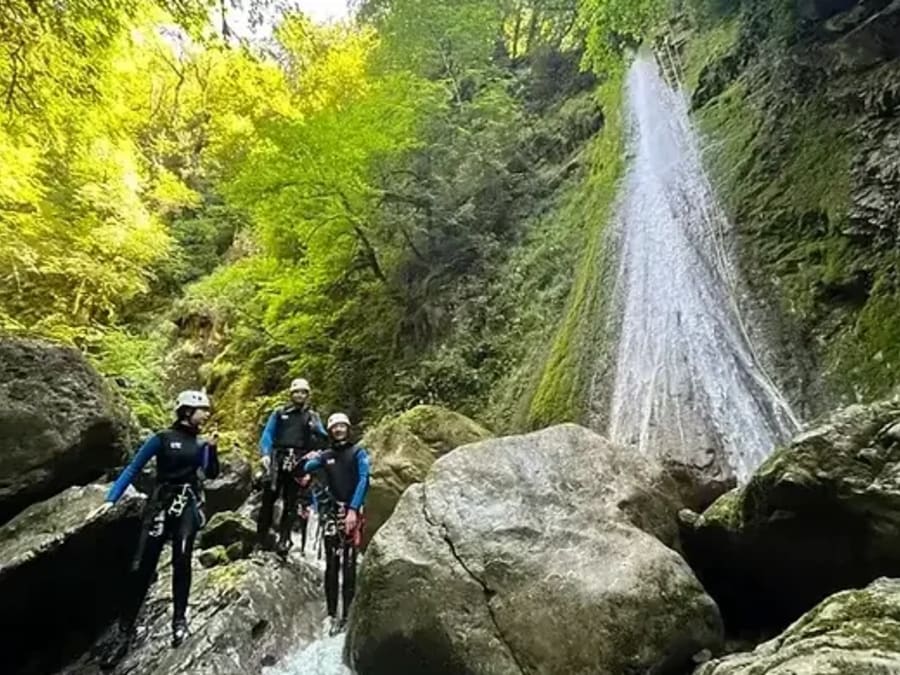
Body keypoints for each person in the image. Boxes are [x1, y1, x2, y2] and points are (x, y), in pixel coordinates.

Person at [92, 389, 219, 667]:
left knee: (182, 560)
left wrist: (212, 449)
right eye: (203, 410)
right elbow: (133, 468)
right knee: (142, 567)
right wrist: (111, 499)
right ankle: (124, 632)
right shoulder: (162, 439)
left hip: (186, 506)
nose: (207, 415)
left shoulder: (201, 443)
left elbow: (211, 473)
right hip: (161, 505)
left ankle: (179, 621)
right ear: (187, 411)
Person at [303, 412, 370, 635]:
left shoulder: (358, 452)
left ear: (348, 429)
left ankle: (347, 615)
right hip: (332, 514)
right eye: (335, 427)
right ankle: (332, 614)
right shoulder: (326, 456)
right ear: (330, 431)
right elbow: (302, 470)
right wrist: (307, 458)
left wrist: (353, 509)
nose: (339, 430)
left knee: (349, 565)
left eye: (342, 426)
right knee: (332, 563)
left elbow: (364, 479)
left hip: (352, 513)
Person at [256, 378, 327, 557]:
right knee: (268, 499)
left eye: (303, 392)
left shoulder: (312, 417)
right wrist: (265, 454)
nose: (300, 395)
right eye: (297, 392)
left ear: (307, 395)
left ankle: (284, 540)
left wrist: (317, 447)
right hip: (277, 459)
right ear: (291, 394)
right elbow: (268, 434)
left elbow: (324, 439)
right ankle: (261, 539)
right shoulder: (279, 413)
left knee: (292, 501)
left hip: (299, 461)